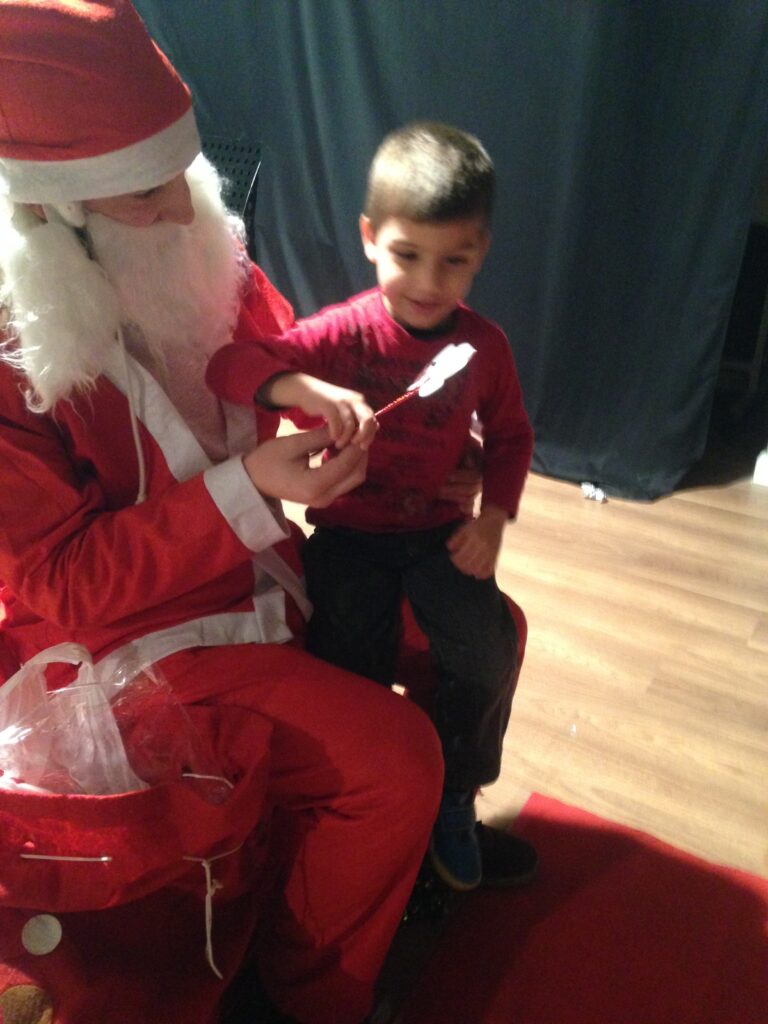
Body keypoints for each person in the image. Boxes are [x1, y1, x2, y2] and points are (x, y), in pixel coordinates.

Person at [0, 4, 446, 1024]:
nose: (180, 208)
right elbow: (65, 583)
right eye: (143, 192)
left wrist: (303, 389)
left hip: (250, 580)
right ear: (49, 215)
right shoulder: (13, 354)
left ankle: (414, 849)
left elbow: (265, 337)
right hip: (131, 645)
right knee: (392, 761)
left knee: (457, 623)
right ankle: (308, 997)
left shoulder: (181, 228)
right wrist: (249, 487)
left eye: (180, 172)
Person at [206, 122, 537, 894]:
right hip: (349, 534)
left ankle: (454, 792)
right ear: (369, 237)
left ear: (481, 252)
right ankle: (359, 806)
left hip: (438, 533)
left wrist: (494, 515)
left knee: (486, 652)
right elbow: (229, 365)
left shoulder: (485, 349)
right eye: (407, 254)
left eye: (455, 261)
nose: (428, 282)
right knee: (347, 659)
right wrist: (302, 387)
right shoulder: (343, 334)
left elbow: (513, 435)